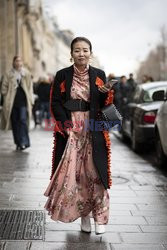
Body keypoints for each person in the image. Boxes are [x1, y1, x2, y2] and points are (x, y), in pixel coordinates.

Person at [44, 37, 114, 234]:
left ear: (90, 52)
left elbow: (103, 104)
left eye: (85, 50)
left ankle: (100, 218)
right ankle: (84, 217)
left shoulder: (99, 74)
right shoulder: (62, 75)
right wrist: (65, 124)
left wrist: (105, 92)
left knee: (96, 175)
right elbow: (56, 102)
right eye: (77, 50)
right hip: (72, 130)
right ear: (71, 53)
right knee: (78, 176)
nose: (81, 54)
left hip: (93, 129)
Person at [0, 56, 34, 150]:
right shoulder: (8, 74)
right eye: (16, 61)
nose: (18, 63)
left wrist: (31, 100)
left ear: (22, 62)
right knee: (15, 122)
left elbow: (30, 87)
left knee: (23, 121)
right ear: (13, 62)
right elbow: (3, 88)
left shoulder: (26, 73)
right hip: (11, 102)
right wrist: (7, 94)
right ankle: (18, 142)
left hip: (23, 101)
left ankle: (25, 142)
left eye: (20, 61)